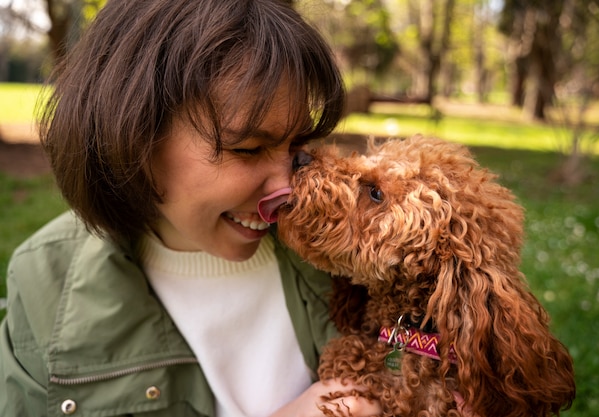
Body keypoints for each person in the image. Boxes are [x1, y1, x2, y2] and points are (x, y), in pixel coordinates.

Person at [0, 0, 382, 416]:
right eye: (249, 149)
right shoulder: (46, 282)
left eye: (296, 147)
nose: (288, 188)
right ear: (135, 138)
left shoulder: (357, 256)